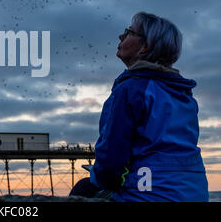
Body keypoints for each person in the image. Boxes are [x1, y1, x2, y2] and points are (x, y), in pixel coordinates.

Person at [70, 12, 208, 202]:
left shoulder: (131, 89)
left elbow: (111, 160)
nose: (121, 36)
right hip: (195, 193)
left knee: (84, 187)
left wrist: (99, 178)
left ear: (145, 47)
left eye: (128, 32)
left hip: (151, 194)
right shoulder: (184, 96)